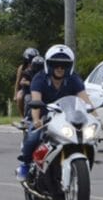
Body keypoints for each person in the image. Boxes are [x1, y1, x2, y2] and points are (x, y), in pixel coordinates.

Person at [16, 44, 93, 182]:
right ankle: (25, 165)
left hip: (67, 117)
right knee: (33, 136)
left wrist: (95, 118)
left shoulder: (74, 79)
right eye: (56, 65)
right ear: (49, 65)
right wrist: (36, 120)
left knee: (85, 138)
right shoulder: (39, 79)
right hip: (43, 117)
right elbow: (36, 101)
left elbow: (85, 100)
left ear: (69, 66)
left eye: (63, 65)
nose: (59, 68)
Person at [13, 47, 39, 125]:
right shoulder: (22, 68)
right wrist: (15, 94)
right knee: (19, 97)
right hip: (26, 89)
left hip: (36, 88)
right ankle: (23, 117)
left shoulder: (39, 66)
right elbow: (18, 82)